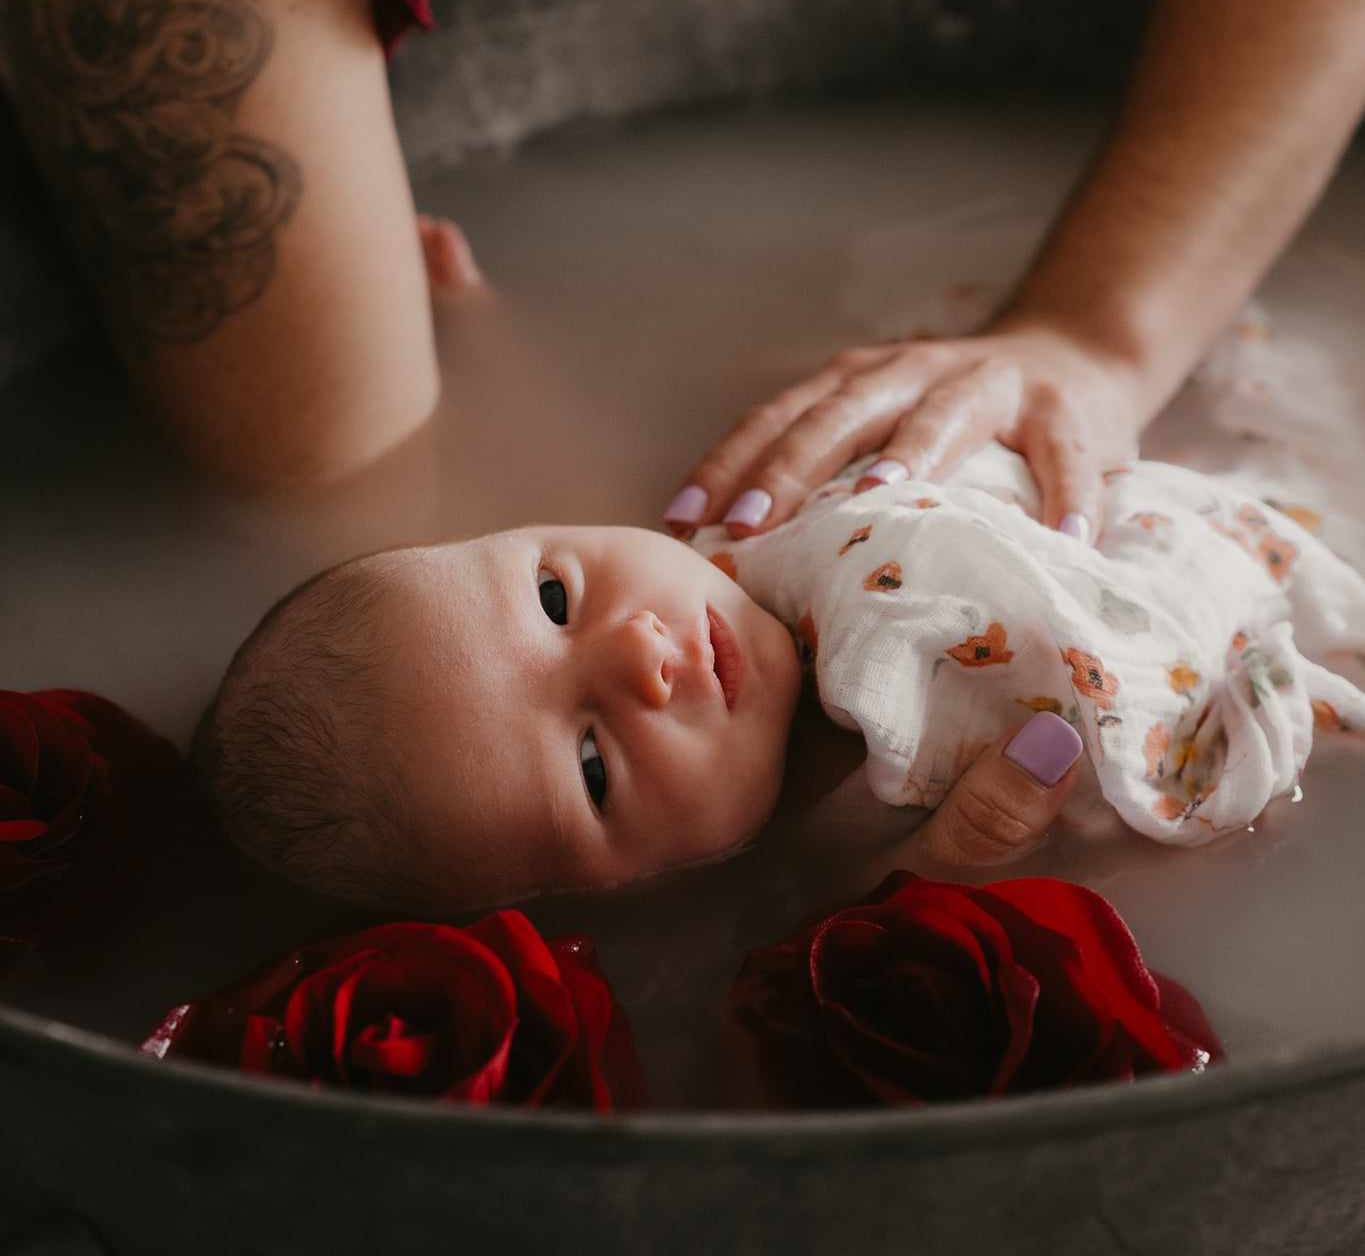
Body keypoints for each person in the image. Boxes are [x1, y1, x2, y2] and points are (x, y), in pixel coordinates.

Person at [192, 434, 1363, 913]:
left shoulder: (770, 509)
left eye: (555, 598)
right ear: (631, 896)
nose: (640, 653)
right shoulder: (862, 838)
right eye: (592, 765)